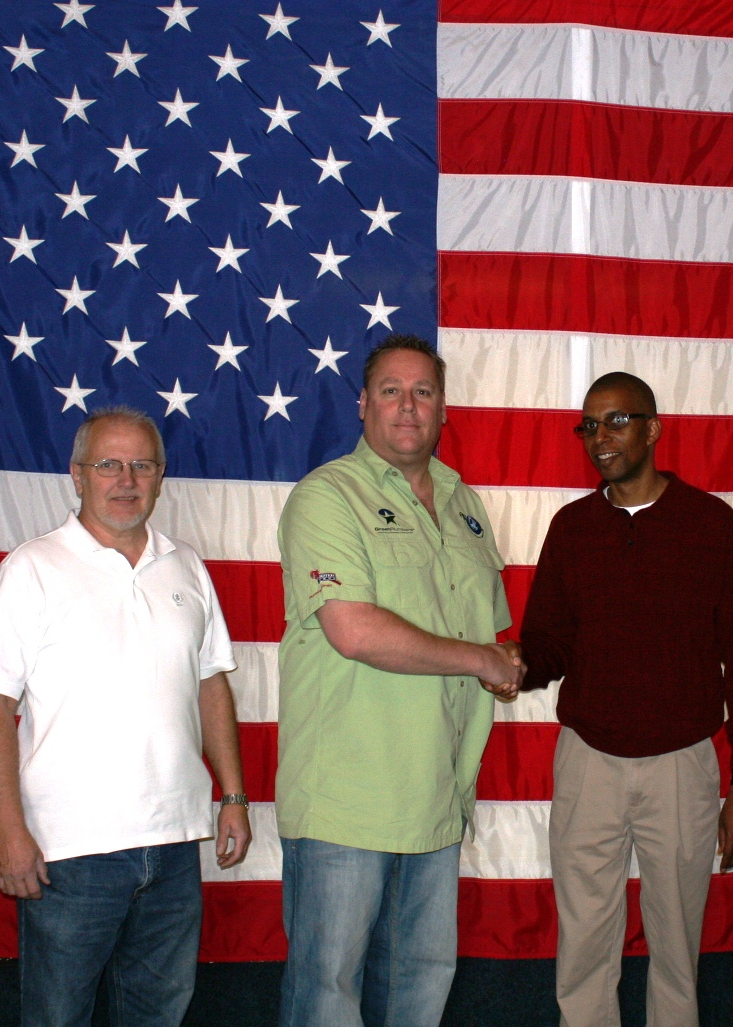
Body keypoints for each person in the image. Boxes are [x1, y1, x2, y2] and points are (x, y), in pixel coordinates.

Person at [0, 407, 251, 1027]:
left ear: (160, 475)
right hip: (70, 851)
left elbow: (211, 686)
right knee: (57, 1016)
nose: (126, 479)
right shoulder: (32, 569)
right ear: (77, 475)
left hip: (174, 843)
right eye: (108, 465)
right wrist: (10, 833)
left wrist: (233, 796)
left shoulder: (186, 566)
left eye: (141, 465)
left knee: (158, 1014)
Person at [275, 334, 524, 1027]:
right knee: (327, 999)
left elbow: (492, 635)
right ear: (362, 404)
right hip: (344, 805)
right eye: (390, 390)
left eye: (423, 392)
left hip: (435, 800)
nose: (407, 406)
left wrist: (516, 657)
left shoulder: (462, 500)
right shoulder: (327, 496)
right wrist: (482, 660)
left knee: (418, 994)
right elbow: (353, 630)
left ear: (443, 407)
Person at [518, 372, 733, 1027]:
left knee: (676, 950)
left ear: (652, 429)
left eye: (616, 421)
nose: (599, 438)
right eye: (588, 425)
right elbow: (547, 643)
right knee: (582, 949)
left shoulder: (712, 525)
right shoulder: (570, 528)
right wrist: (512, 665)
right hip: (587, 762)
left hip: (682, 766)